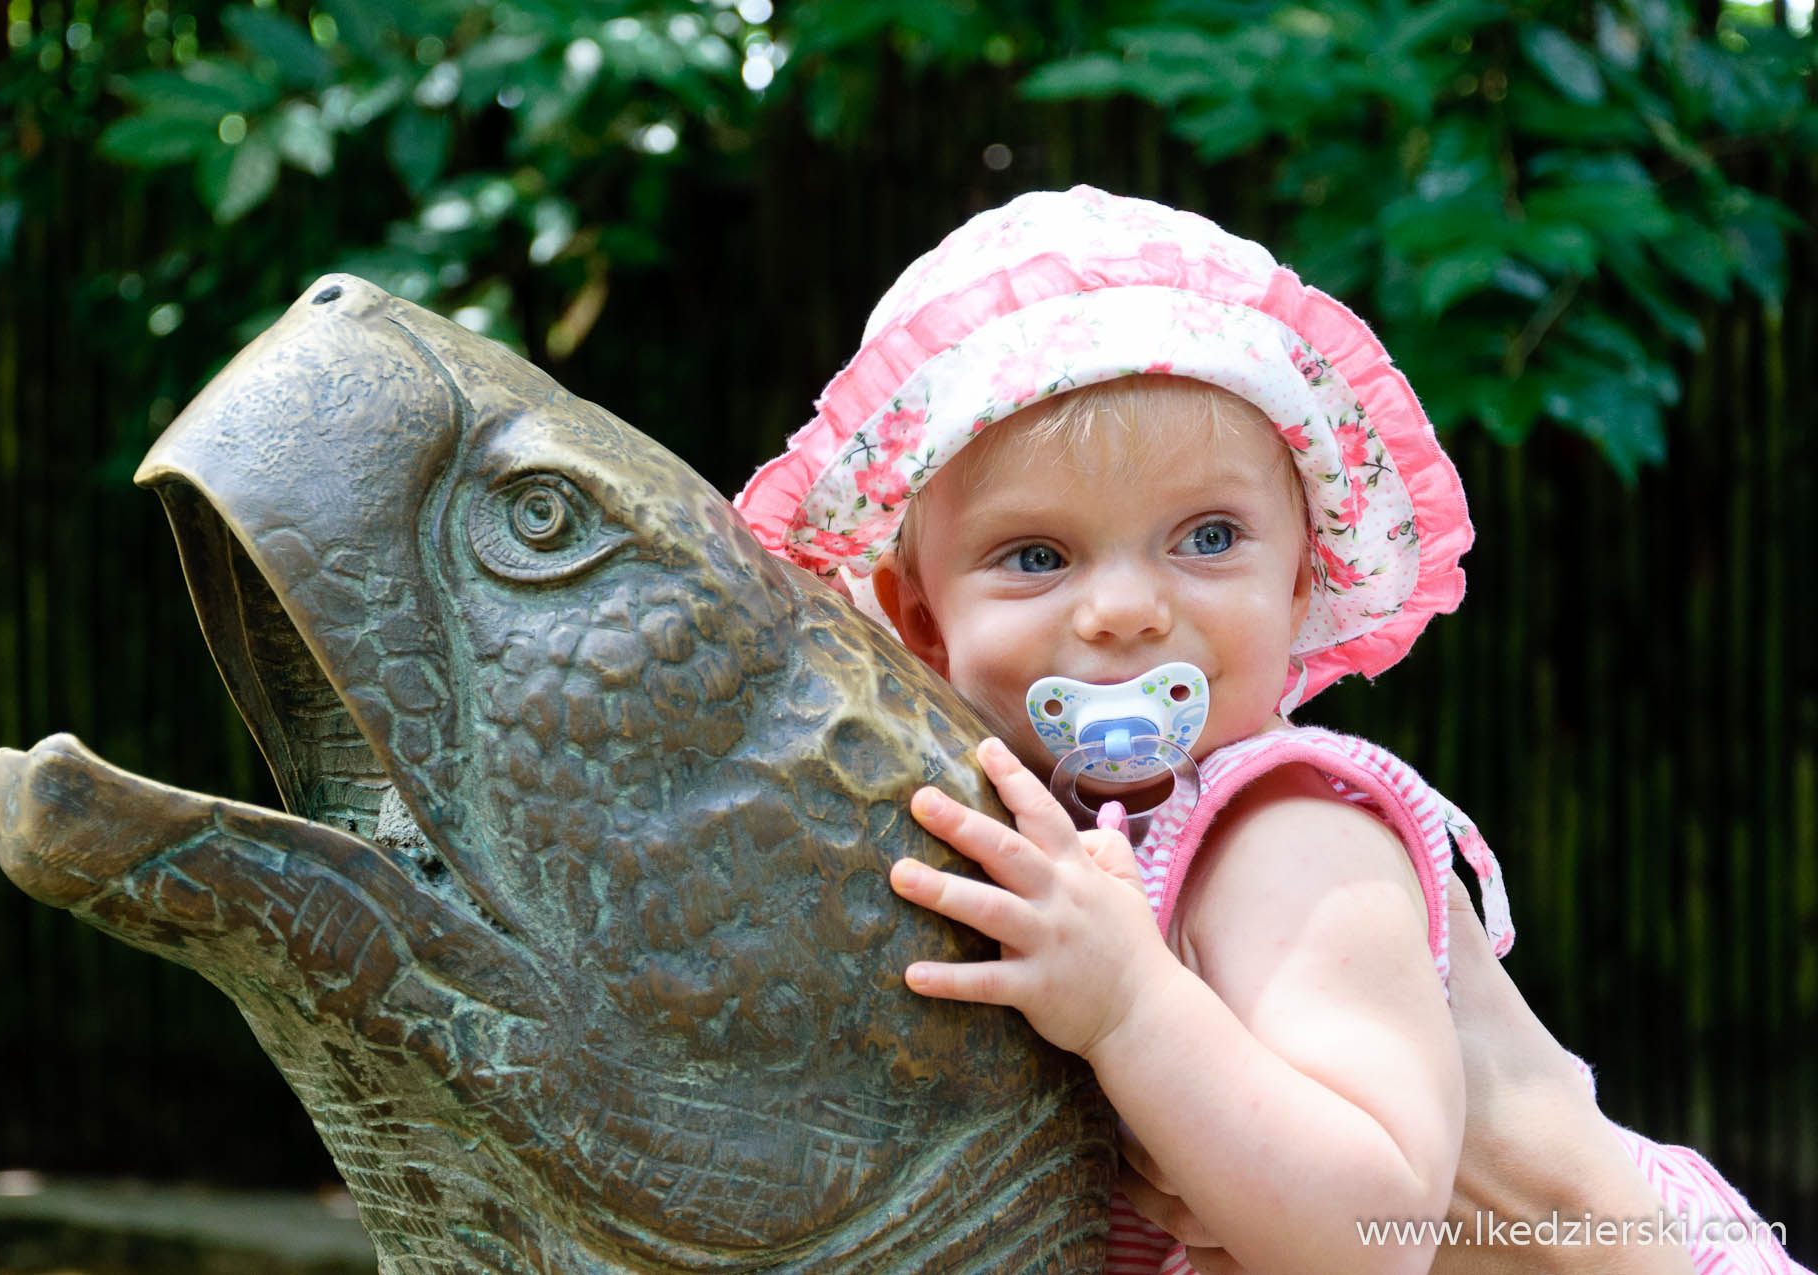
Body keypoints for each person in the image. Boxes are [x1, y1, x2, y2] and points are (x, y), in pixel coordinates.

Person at [734, 187, 1804, 1275]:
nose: (1126, 609)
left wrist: (1130, 1008)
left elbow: (1372, 1235)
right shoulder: (1024, 846)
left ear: (1299, 583)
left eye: (1207, 536)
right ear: (921, 620)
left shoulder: (1285, 828)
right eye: (1037, 556)